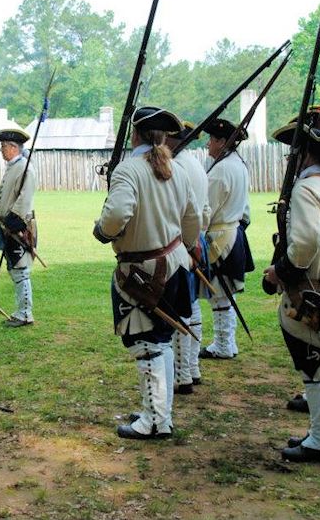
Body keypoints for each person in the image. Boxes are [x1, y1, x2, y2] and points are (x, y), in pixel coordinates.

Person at [94, 106, 202, 440]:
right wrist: (187, 245)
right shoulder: (176, 169)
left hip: (144, 272)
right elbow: (193, 217)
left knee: (147, 344)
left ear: (135, 134)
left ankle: (155, 420)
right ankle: (158, 412)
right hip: (176, 264)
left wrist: (103, 230)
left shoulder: (128, 169)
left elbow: (116, 216)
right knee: (162, 341)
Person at [264, 123, 320, 463]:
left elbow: (306, 242)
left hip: (309, 289)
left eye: (293, 152)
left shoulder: (306, 188)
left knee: (314, 366)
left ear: (303, 153)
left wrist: (281, 271)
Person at [199, 118, 253, 360]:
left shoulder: (221, 170)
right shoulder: (238, 164)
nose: (208, 144)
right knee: (223, 294)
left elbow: (206, 208)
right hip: (233, 232)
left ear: (222, 142)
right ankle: (226, 343)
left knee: (220, 294)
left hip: (220, 236)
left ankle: (223, 344)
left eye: (212, 139)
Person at [167, 123, 211, 394]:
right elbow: (204, 211)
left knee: (179, 309)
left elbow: (183, 211)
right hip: (196, 239)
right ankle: (192, 368)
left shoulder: (176, 167)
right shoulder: (195, 164)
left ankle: (182, 374)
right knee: (191, 306)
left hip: (183, 243)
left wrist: (185, 243)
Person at [0, 129, 38, 328]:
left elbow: (24, 200)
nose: (1, 150)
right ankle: (22, 311)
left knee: (20, 269)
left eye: (3, 146)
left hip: (17, 228)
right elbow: (9, 195)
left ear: (13, 147)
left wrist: (12, 223)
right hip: (8, 226)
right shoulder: (14, 167)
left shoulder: (24, 168)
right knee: (15, 269)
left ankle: (25, 314)